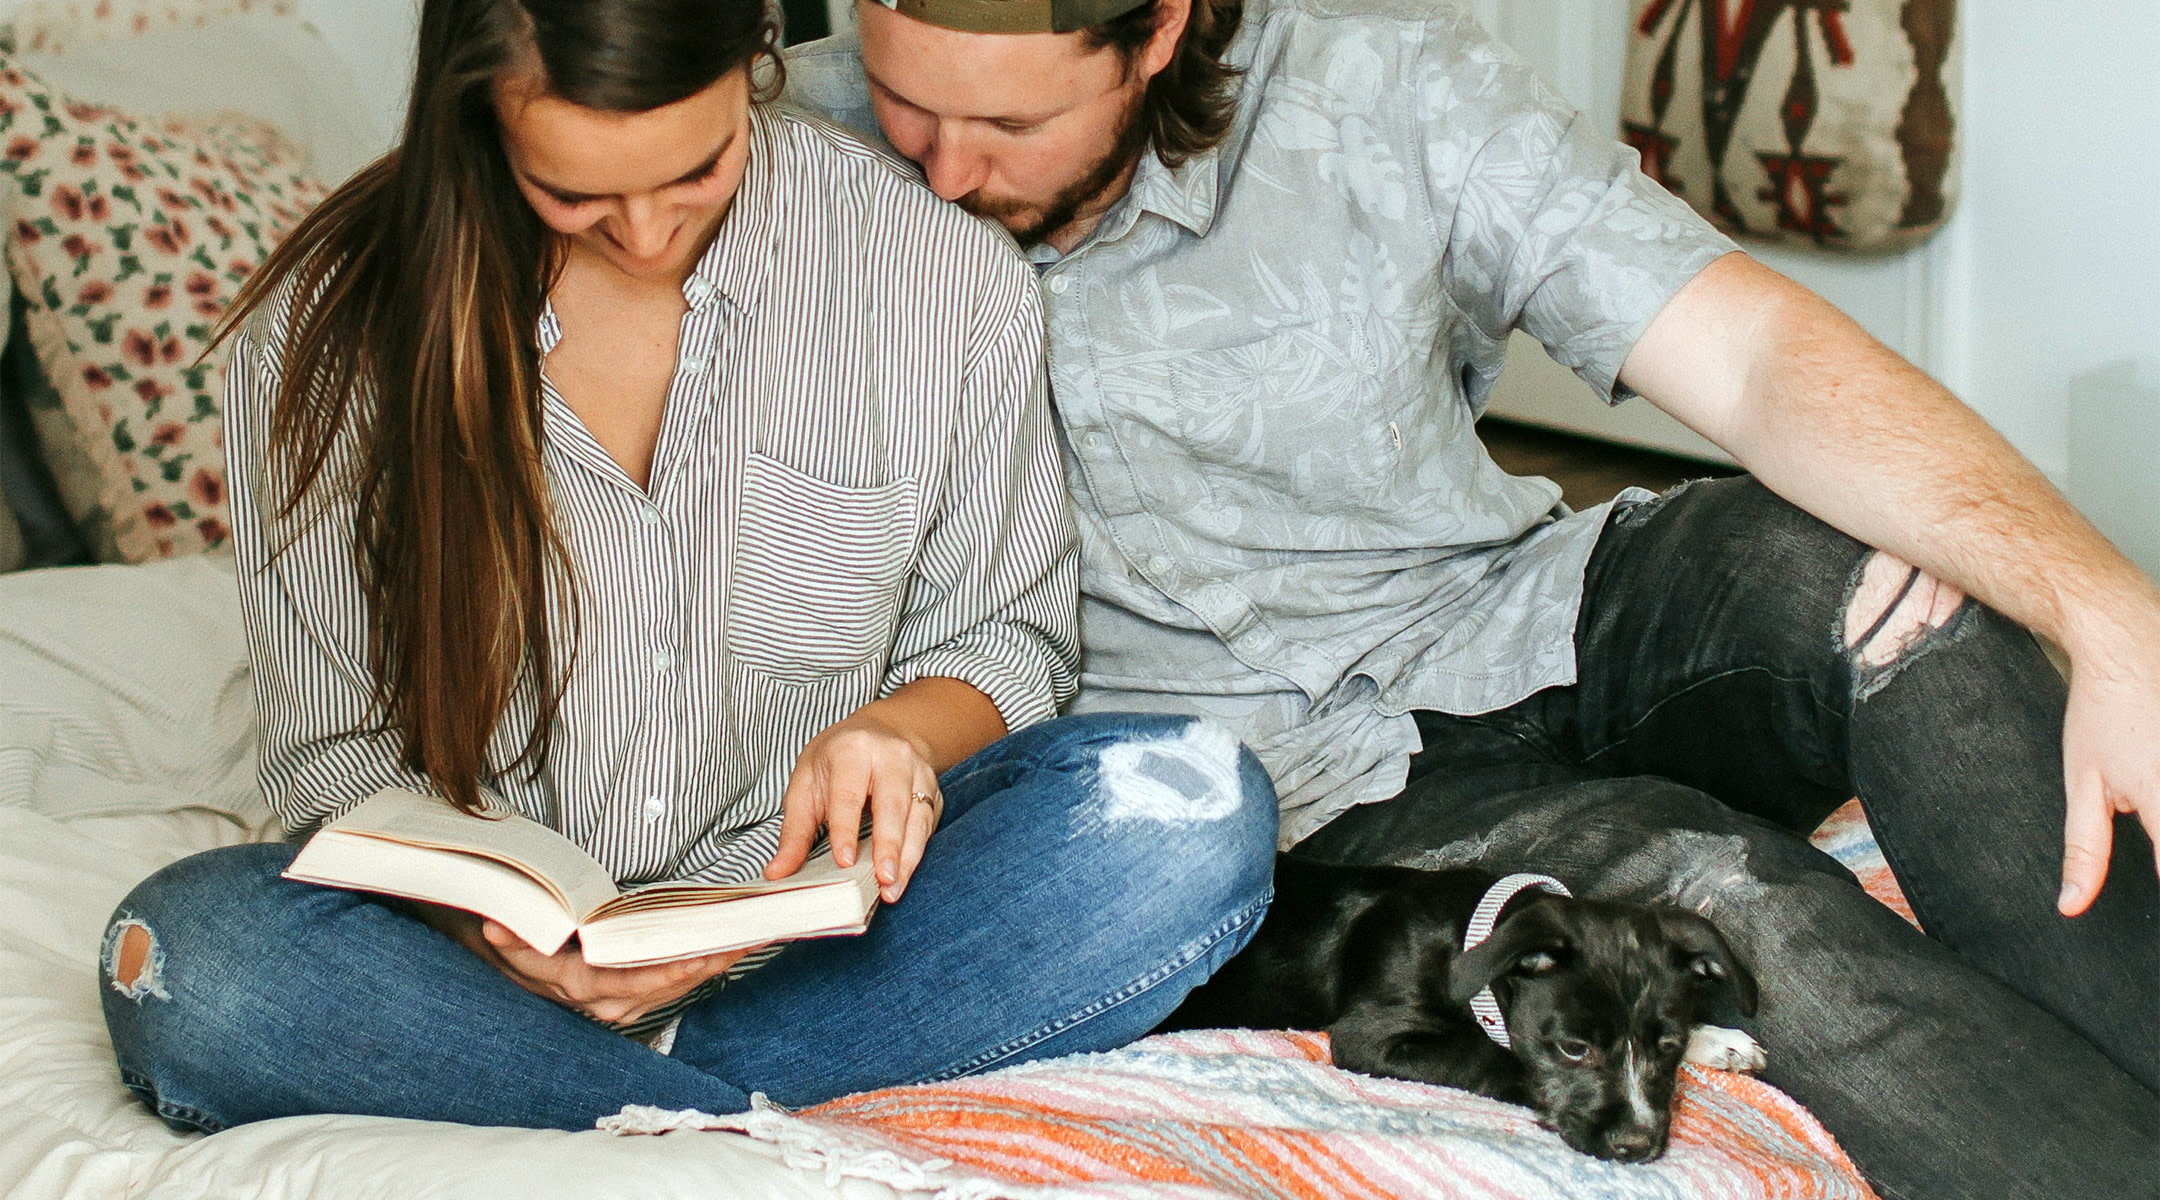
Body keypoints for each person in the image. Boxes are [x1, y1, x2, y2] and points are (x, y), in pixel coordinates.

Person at [779, 0, 2160, 1194]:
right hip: (1298, 779)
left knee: (1911, 606)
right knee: (1728, 900)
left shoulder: (1386, 94)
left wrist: (2106, 610)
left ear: (1161, 28)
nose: (944, 170)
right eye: (904, 100)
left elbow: (1750, 358)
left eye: (1012, 128)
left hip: (1514, 614)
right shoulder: (781, 158)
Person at [96, 0, 1276, 1133]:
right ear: (479, 121)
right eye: (574, 192)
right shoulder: (325, 332)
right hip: (479, 978)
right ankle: (731, 1109)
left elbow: (1008, 637)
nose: (649, 236)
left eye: (694, 174)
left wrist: (903, 736)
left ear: (756, 60)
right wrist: (481, 933)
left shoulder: (939, 280)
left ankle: (588, 1098)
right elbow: (333, 753)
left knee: (1192, 808)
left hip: (818, 945)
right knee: (182, 960)